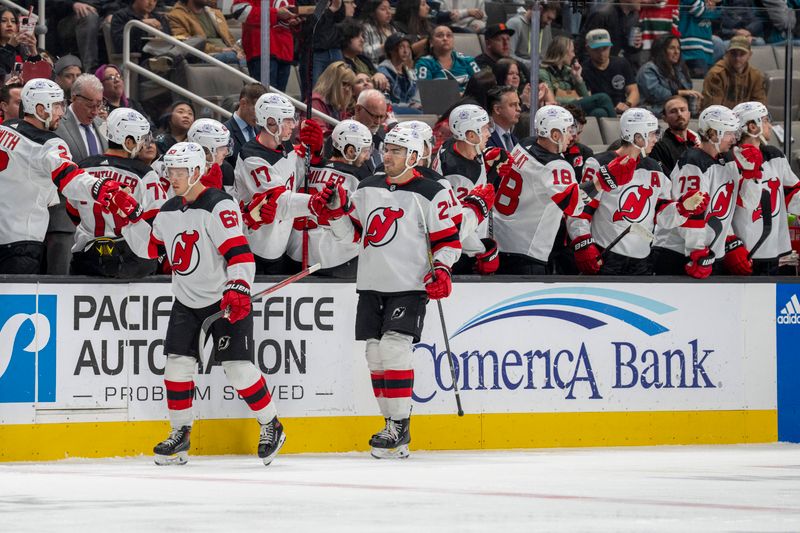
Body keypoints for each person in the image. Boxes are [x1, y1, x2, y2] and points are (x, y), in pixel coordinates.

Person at [117, 142, 287, 466]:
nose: (173, 177)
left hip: (223, 300)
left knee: (238, 369)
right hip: (186, 301)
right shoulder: (168, 211)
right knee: (176, 366)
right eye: (170, 171)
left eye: (180, 171)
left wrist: (238, 285)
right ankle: (180, 434)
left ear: (196, 172)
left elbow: (239, 254)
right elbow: (151, 250)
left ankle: (271, 423)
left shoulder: (219, 205)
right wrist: (130, 219)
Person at [320, 126, 462, 459]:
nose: (388, 155)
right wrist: (337, 212)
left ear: (414, 156)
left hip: (410, 285)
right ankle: (391, 424)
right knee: (374, 354)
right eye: (387, 149)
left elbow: (447, 242)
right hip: (371, 284)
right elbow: (351, 237)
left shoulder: (431, 192)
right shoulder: (367, 187)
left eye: (397, 151)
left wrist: (441, 268)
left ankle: (399, 423)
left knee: (394, 347)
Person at [0, 78, 124, 274]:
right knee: (18, 304)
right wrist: (103, 188)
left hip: (4, 231)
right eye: (57, 106)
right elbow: (70, 178)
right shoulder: (48, 144)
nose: (62, 112)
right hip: (21, 241)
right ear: (40, 110)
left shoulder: (5, 129)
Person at [580, 108, 708, 275]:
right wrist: (582, 244)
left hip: (641, 260)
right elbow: (582, 210)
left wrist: (682, 208)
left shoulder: (655, 168)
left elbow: (662, 216)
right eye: (652, 134)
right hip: (606, 256)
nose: (656, 139)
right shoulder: (599, 163)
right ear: (638, 137)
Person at [651, 105, 761, 277]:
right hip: (678, 253)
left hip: (710, 254)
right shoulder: (693, 161)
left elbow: (747, 202)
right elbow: (689, 212)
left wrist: (751, 176)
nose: (733, 139)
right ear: (712, 134)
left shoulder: (729, 160)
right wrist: (696, 251)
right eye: (729, 133)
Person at [493, 104, 600, 274]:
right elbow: (573, 205)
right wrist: (602, 181)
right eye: (567, 130)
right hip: (526, 252)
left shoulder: (524, 144)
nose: (571, 136)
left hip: (500, 239)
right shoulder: (556, 165)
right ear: (555, 134)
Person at [233, 92, 328, 274]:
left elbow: (298, 177)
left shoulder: (285, 146)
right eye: (287, 120)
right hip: (254, 250)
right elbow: (280, 201)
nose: (293, 125)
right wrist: (315, 204)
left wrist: (316, 151)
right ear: (270, 122)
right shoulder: (252, 157)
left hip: (280, 246)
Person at [68, 108, 163, 278]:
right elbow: (156, 219)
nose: (144, 144)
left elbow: (73, 212)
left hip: (86, 258)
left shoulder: (83, 167)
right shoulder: (144, 173)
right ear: (128, 142)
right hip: (130, 261)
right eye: (140, 139)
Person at [287, 119, 373, 277]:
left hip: (295, 255)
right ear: (350, 151)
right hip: (338, 260)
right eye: (365, 150)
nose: (367, 156)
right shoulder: (359, 177)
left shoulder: (309, 167)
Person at [730, 102, 800, 275]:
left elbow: (792, 192)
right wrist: (730, 244)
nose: (770, 125)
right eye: (766, 120)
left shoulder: (773, 154)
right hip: (742, 251)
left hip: (772, 250)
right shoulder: (729, 160)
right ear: (753, 126)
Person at [431, 104, 501, 275]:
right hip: (460, 256)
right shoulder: (459, 176)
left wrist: (487, 163)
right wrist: (481, 252)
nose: (489, 133)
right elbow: (457, 225)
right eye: (484, 128)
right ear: (471, 135)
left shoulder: (454, 146)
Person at [539, 36, 616, 118]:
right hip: (558, 109)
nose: (574, 55)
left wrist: (578, 79)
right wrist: (574, 100)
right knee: (603, 98)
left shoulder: (569, 71)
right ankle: (619, 129)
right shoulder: (543, 73)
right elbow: (551, 101)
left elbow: (586, 97)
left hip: (572, 107)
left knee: (600, 113)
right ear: (562, 52)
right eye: (572, 51)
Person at [231, 0, 301, 85]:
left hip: (285, 51)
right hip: (261, 50)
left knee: (279, 96)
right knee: (265, 95)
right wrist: (276, 13)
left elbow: (288, 21)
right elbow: (239, 11)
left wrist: (295, 23)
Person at [167, 0, 246, 68]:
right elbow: (186, 43)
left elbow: (229, 38)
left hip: (229, 53)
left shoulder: (216, 13)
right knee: (233, 57)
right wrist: (222, 50)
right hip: (204, 55)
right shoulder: (176, 15)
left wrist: (238, 51)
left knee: (252, 56)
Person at [637, 34, 701, 116]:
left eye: (678, 48)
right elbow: (655, 94)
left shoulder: (680, 69)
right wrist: (679, 93)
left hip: (679, 113)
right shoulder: (648, 69)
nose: (677, 52)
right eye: (672, 48)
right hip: (654, 113)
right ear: (661, 50)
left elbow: (688, 90)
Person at [581, 29, 640, 114]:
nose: (601, 53)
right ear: (588, 49)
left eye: (605, 48)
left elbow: (634, 91)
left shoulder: (622, 63)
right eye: (596, 49)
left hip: (623, 110)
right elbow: (587, 98)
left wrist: (627, 104)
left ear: (610, 47)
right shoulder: (584, 69)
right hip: (600, 111)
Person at [702, 36, 767, 111]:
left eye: (742, 54)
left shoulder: (756, 76)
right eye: (733, 53)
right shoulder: (716, 74)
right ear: (727, 54)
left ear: (749, 55)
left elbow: (759, 106)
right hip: (721, 119)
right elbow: (713, 109)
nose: (737, 58)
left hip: (747, 119)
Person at [415, 25, 480, 93]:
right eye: (440, 35)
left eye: (449, 35)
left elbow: (482, 84)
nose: (445, 38)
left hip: (471, 101)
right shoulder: (424, 63)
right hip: (440, 102)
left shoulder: (467, 60)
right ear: (431, 42)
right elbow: (424, 91)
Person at [581, 0, 643, 68]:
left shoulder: (634, 16)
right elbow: (584, 47)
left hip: (621, 67)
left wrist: (637, 45)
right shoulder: (602, 14)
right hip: (600, 69)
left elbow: (629, 49)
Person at [649, 95, 698, 175]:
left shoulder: (698, 142)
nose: (679, 114)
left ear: (689, 114)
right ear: (664, 118)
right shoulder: (659, 146)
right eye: (673, 111)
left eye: (682, 110)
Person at [339, 19, 390, 93]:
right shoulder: (340, 63)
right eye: (357, 36)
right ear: (346, 38)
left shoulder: (363, 59)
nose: (362, 40)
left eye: (362, 36)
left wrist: (379, 75)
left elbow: (383, 82)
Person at [377, 33, 422, 114]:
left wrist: (416, 104)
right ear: (391, 50)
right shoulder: (383, 72)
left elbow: (415, 95)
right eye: (401, 47)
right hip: (391, 110)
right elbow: (385, 101)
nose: (406, 51)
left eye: (408, 47)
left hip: (409, 109)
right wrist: (408, 106)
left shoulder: (410, 72)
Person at [224, 82, 267, 166]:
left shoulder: (262, 130)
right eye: (258, 110)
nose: (261, 116)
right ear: (243, 103)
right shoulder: (225, 133)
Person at [188, 117, 234, 194]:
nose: (226, 152)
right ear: (205, 150)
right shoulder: (183, 174)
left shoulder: (224, 169)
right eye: (222, 147)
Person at [311, 61, 357, 136]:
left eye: (350, 86)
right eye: (344, 84)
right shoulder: (315, 102)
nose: (348, 89)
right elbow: (319, 133)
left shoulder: (337, 105)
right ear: (332, 82)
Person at [678, 0, 720, 78]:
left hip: (705, 47)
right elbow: (699, 11)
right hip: (692, 47)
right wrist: (710, 7)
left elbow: (719, 12)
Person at [351, 89, 389, 173]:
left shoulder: (384, 135)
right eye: (374, 116)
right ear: (358, 109)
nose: (378, 122)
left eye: (382, 116)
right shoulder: (340, 136)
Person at [360, 0, 397, 65]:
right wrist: (385, 46)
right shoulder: (366, 27)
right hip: (373, 68)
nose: (388, 12)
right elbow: (363, 52)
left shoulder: (392, 29)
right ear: (373, 12)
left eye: (389, 8)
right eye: (383, 9)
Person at [563, 103, 594, 180]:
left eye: (579, 133)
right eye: (571, 131)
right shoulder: (545, 151)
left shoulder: (586, 153)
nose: (576, 137)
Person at [486, 85, 521, 152]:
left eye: (518, 104)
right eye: (513, 105)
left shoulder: (515, 140)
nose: (519, 109)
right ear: (497, 109)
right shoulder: (485, 139)